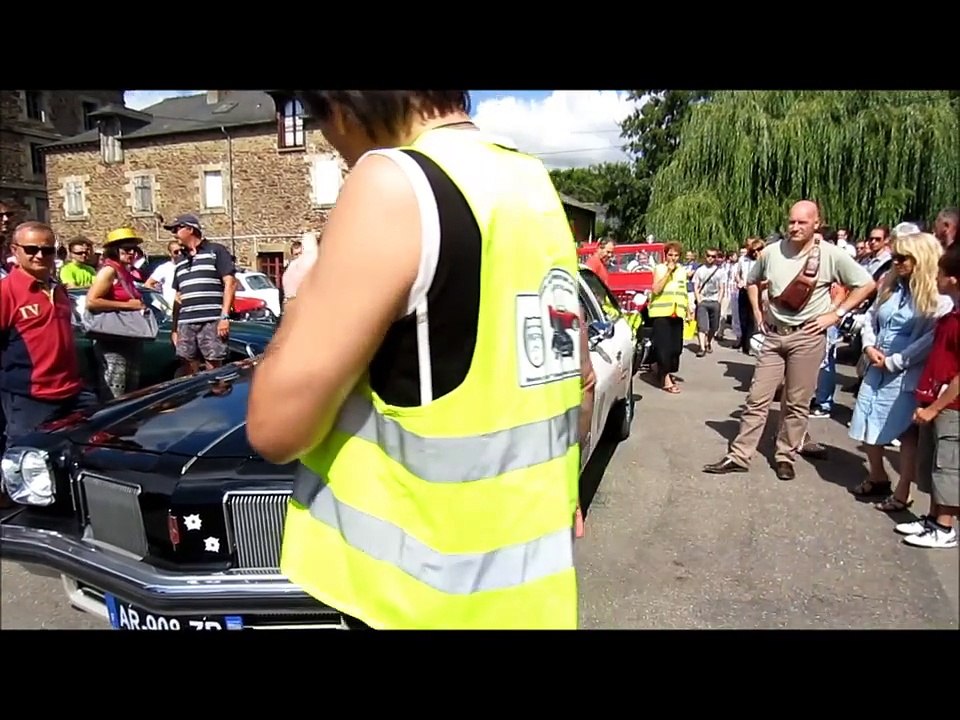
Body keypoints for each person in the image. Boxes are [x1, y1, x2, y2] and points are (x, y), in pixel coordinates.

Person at [247, 90, 583, 629]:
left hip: (414, 599)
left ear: (343, 103)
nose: (330, 142)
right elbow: (572, 374)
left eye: (315, 115)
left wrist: (301, 296)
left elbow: (274, 431)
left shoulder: (393, 180)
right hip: (529, 596)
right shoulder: (529, 181)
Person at [703, 201, 876, 480]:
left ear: (816, 224)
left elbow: (866, 284)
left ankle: (785, 455)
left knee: (796, 402)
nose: (795, 227)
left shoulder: (831, 255)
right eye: (791, 222)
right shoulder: (771, 252)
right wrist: (758, 312)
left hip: (807, 337)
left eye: (802, 222)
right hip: (773, 335)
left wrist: (837, 314)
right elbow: (752, 280)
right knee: (757, 398)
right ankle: (739, 455)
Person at [846, 232, 950, 509]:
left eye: (903, 258)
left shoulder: (938, 298)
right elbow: (870, 318)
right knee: (866, 418)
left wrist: (897, 361)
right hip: (876, 363)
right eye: (895, 257)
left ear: (921, 259)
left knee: (904, 432)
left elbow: (930, 339)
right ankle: (877, 475)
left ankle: (903, 491)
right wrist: (868, 346)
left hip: (907, 371)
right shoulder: (890, 285)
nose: (897, 262)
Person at [0, 222, 94, 506]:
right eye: (32, 250)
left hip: (72, 390)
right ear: (15, 251)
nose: (40, 255)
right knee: (22, 461)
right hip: (30, 395)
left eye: (47, 250)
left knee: (89, 442)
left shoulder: (58, 290)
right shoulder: (7, 291)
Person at [898, 246, 960, 548]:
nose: (935, 278)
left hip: (952, 406)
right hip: (935, 398)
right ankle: (933, 518)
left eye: (940, 274)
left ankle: (945, 527)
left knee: (948, 466)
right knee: (934, 463)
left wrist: (935, 408)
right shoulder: (952, 314)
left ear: (954, 280)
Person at [165, 214, 237, 375]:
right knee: (187, 366)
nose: (174, 233)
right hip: (186, 322)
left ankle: (217, 397)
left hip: (211, 319)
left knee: (213, 365)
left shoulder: (216, 251)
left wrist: (224, 317)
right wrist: (174, 328)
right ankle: (194, 400)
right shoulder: (180, 261)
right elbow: (178, 296)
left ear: (190, 229)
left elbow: (230, 283)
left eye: (177, 229)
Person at [84, 228, 150, 399]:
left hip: (128, 338)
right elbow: (92, 301)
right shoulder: (109, 270)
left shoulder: (124, 271)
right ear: (114, 250)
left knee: (129, 390)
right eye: (127, 249)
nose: (132, 253)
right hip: (113, 340)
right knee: (114, 390)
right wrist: (130, 306)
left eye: (135, 249)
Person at [646, 241, 689, 394]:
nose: (673, 258)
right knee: (664, 348)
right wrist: (667, 273)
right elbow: (656, 289)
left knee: (676, 348)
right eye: (670, 255)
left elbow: (683, 291)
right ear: (666, 255)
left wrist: (689, 310)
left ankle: (661, 369)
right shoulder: (659, 269)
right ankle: (665, 379)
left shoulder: (682, 271)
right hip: (661, 314)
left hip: (677, 313)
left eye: (676, 255)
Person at [144, 240, 184, 307]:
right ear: (170, 253)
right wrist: (160, 298)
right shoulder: (164, 268)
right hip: (170, 306)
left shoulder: (188, 265)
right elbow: (148, 284)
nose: (179, 253)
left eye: (181, 251)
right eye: (176, 252)